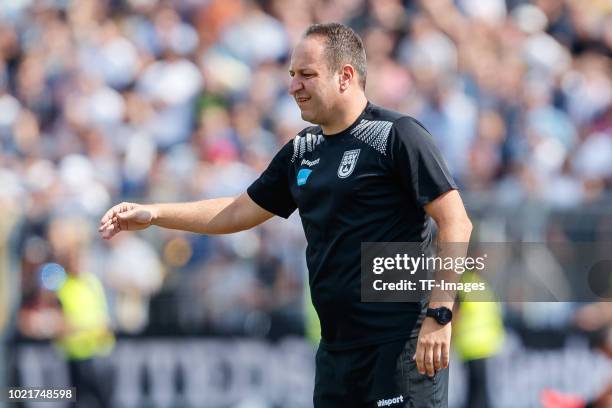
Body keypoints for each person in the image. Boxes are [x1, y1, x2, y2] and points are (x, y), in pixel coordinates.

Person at [99, 22, 472, 408]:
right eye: (292, 75)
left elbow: (456, 220)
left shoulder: (397, 135)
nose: (294, 85)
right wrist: (154, 212)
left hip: (400, 347)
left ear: (345, 76)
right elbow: (237, 210)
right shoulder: (302, 150)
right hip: (336, 352)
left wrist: (440, 314)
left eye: (307, 75)